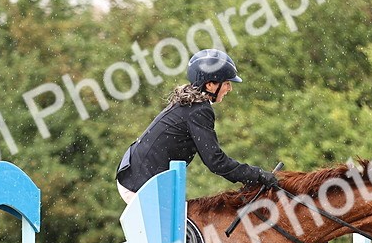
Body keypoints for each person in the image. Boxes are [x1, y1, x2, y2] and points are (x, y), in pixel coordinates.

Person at [113, 48, 280, 203]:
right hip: (139, 184)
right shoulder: (198, 111)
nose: (230, 88)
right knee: (177, 232)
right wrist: (256, 175)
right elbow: (216, 162)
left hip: (137, 173)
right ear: (209, 85)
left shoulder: (191, 103)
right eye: (227, 83)